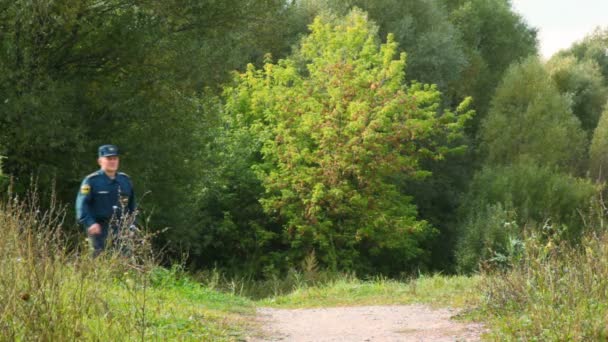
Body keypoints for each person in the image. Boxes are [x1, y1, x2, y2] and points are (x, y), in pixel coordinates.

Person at [76, 144, 136, 256]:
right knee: (99, 262)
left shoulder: (125, 180)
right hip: (99, 229)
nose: (112, 161)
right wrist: (90, 223)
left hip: (121, 229)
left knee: (124, 263)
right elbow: (82, 205)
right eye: (109, 159)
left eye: (115, 158)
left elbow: (132, 207)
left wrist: (132, 226)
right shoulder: (91, 181)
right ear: (100, 161)